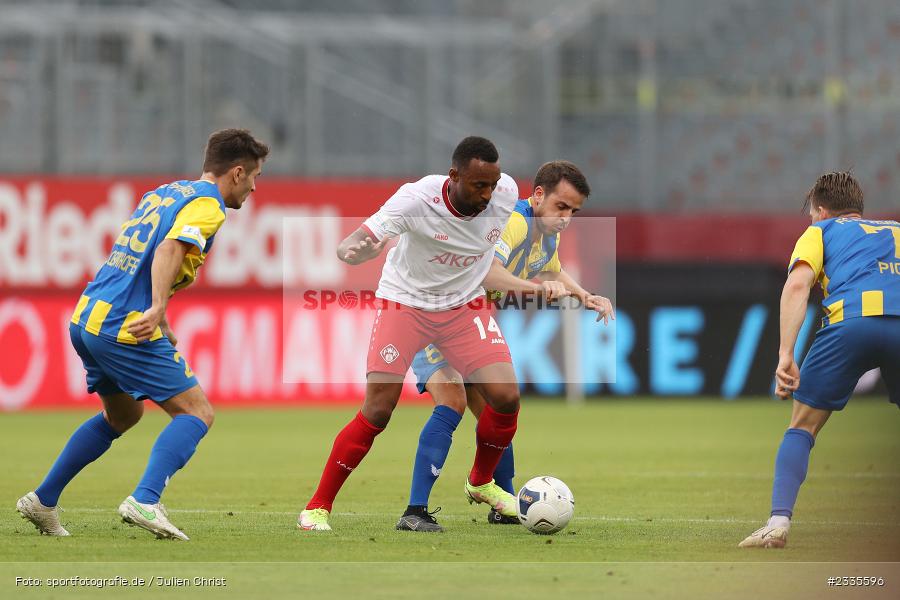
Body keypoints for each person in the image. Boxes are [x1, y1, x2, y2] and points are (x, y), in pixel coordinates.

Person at [16, 129, 269, 541]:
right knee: (196, 412)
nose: (256, 186)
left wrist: (161, 317)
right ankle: (145, 500)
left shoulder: (165, 193)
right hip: (123, 326)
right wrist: (157, 308)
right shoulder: (209, 207)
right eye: (256, 175)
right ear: (238, 172)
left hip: (87, 317)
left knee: (123, 414)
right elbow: (170, 248)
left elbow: (139, 253)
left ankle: (43, 500)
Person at [298, 136, 539, 531]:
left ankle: (480, 481)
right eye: (479, 185)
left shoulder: (506, 193)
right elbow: (361, 238)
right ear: (454, 176)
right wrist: (354, 250)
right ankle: (317, 507)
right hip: (406, 305)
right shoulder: (416, 199)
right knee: (378, 408)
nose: (487, 195)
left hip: (463, 307)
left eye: (492, 185)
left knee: (506, 396)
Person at [397, 161, 614, 532]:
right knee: (452, 402)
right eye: (562, 207)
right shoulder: (514, 221)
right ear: (539, 194)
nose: (566, 218)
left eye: (574, 212)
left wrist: (585, 296)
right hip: (434, 311)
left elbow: (550, 268)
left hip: (468, 320)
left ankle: (503, 502)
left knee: (499, 405)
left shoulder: (548, 233)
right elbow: (488, 272)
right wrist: (536, 289)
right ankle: (414, 511)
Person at [739, 171, 900, 548]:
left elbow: (797, 285)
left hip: (850, 324)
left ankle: (778, 523)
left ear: (821, 210)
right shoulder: (896, 230)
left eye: (811, 214)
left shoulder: (821, 232)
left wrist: (785, 354)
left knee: (802, 428)